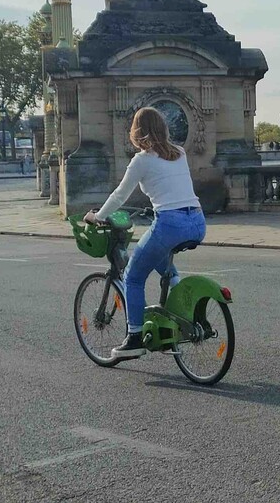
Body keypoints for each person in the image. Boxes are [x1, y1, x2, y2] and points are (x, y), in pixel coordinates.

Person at [83, 107, 205, 361]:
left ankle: (134, 337)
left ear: (137, 131)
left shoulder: (142, 160)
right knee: (160, 258)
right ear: (163, 128)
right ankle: (181, 307)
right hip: (197, 221)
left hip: (170, 224)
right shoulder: (179, 152)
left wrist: (98, 216)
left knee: (133, 277)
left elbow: (120, 194)